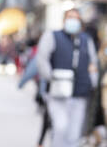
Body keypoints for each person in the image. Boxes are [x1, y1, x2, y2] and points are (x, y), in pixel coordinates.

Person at [37, 8, 99, 147]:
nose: (73, 20)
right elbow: (42, 59)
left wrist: (92, 80)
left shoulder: (86, 39)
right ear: (64, 20)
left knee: (74, 133)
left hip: (80, 92)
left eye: (76, 18)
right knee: (61, 127)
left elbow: (93, 62)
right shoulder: (52, 36)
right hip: (57, 91)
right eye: (70, 17)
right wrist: (51, 76)